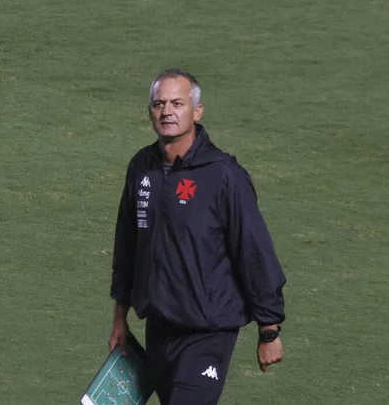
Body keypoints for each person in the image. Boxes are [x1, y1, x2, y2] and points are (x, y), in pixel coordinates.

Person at [108, 68, 286, 404]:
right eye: (159, 104)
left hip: (208, 333)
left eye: (177, 103)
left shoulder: (223, 176)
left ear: (197, 112)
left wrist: (269, 328)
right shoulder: (141, 168)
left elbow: (253, 251)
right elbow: (128, 247)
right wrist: (120, 320)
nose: (167, 111)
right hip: (159, 330)